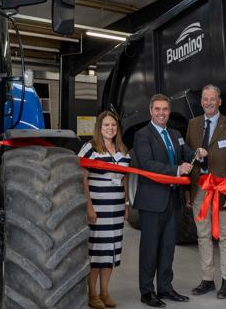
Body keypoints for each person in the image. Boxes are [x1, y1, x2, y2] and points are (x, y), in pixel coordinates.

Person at [132, 94, 206, 308]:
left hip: (173, 200)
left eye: (165, 109)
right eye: (157, 109)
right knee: (150, 248)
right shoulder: (142, 135)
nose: (161, 113)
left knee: (167, 247)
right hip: (152, 201)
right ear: (151, 111)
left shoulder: (175, 134)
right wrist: (176, 170)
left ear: (169, 111)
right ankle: (147, 292)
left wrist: (197, 153)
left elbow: (186, 153)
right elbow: (146, 164)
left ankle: (165, 287)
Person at [185, 84, 226, 299]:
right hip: (199, 187)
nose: (208, 102)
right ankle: (207, 279)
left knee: (225, 235)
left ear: (219, 101)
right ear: (201, 102)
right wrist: (187, 190)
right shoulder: (193, 124)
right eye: (205, 99)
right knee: (203, 235)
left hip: (222, 190)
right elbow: (187, 156)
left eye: (212, 99)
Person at [79, 111, 132, 309]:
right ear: (99, 128)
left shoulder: (123, 150)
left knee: (111, 251)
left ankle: (105, 292)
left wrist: (126, 205)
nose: (110, 128)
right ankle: (92, 294)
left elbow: (125, 179)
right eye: (106, 125)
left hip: (116, 209)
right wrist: (89, 207)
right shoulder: (90, 149)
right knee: (97, 252)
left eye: (113, 125)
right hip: (98, 209)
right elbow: (82, 179)